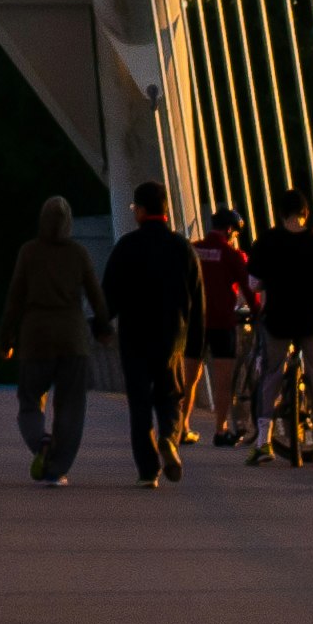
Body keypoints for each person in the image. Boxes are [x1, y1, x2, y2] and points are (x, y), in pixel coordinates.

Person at [100, 182, 204, 485]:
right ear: (166, 211)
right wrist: (196, 343)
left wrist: (101, 325)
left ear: (141, 210)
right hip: (173, 337)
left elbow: (109, 295)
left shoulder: (126, 246)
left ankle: (148, 471)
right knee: (170, 396)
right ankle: (170, 437)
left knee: (140, 402)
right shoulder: (183, 249)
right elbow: (197, 301)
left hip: (134, 337)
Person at [0, 193, 100, 484]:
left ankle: (40, 441)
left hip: (35, 338)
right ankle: (58, 469)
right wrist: (104, 326)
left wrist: (6, 338)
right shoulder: (79, 253)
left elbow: (15, 298)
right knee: (71, 404)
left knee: (29, 399)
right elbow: (94, 294)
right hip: (73, 339)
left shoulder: (29, 252)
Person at [246, 190, 313, 467]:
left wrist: (271, 283)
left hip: (277, 319)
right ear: (306, 213)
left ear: (280, 213)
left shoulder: (267, 241)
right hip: (311, 320)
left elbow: (253, 284)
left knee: (272, 374)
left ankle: (264, 442)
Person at [191, 206, 257, 452]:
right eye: (236, 234)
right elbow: (248, 289)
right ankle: (220, 430)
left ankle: (181, 427)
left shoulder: (194, 249)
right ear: (230, 230)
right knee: (223, 380)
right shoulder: (232, 255)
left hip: (195, 321)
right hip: (222, 322)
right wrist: (257, 312)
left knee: (190, 377)